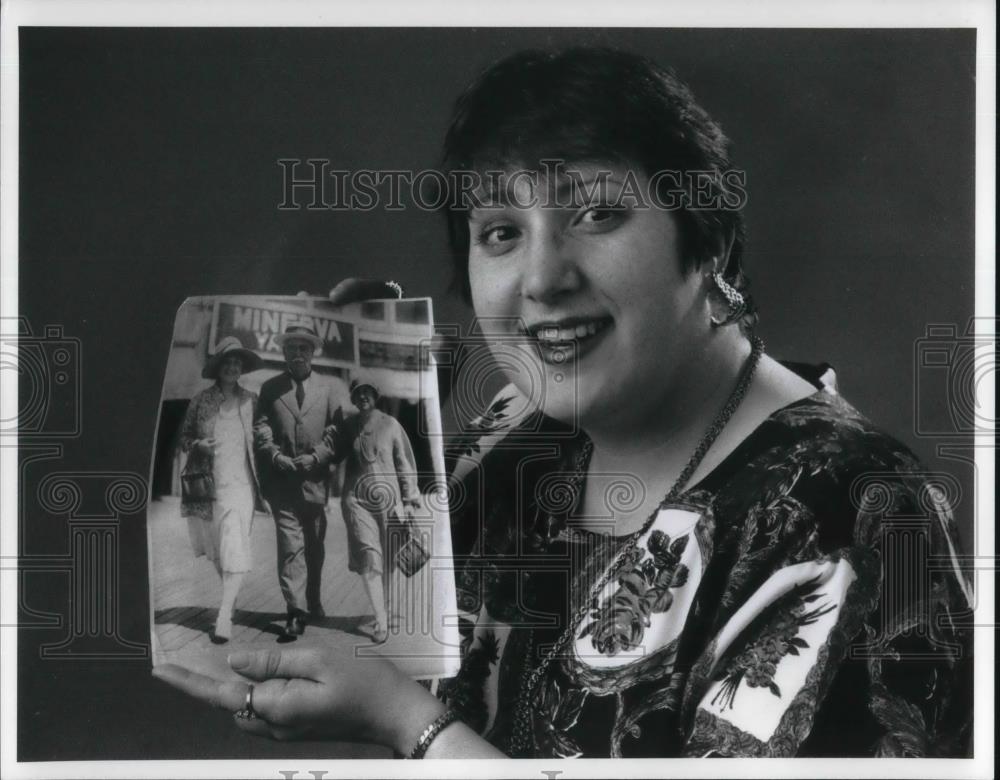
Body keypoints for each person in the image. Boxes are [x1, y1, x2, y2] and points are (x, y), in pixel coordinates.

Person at [155, 47, 973, 759]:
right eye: (501, 232)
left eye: (597, 214)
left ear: (711, 237)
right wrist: (370, 403)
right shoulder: (516, 426)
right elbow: (354, 608)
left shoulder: (859, 510)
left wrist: (412, 728)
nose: (543, 280)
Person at [254, 323, 343, 638]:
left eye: (304, 348)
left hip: (316, 484)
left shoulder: (329, 389)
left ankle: (313, 599)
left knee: (314, 548)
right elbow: (261, 428)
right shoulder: (270, 388)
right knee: (291, 547)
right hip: (283, 483)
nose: (298, 354)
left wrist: (317, 456)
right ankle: (295, 612)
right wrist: (274, 455)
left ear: (313, 352)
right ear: (284, 352)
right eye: (292, 348)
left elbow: (336, 431)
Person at [179, 336, 266, 643]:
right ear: (218, 367)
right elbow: (184, 437)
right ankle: (231, 595)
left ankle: (224, 616)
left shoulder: (251, 401)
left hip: (241, 487)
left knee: (234, 547)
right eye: (227, 362)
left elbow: (265, 437)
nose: (232, 367)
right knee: (218, 553)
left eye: (237, 363)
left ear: (241, 368)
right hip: (208, 488)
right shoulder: (201, 400)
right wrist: (197, 445)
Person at [326, 377, 420, 643]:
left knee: (389, 562)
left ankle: (387, 609)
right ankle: (380, 619)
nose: (363, 396)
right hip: (357, 502)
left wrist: (411, 500)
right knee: (370, 559)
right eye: (358, 393)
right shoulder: (348, 426)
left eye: (368, 392)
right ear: (353, 398)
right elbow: (331, 454)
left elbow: (404, 464)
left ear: (375, 395)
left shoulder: (390, 425)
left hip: (390, 505)